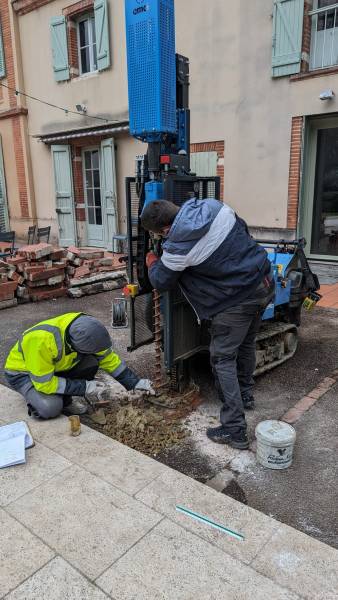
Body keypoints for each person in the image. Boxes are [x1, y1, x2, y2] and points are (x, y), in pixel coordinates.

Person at [141, 197, 275, 450]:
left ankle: (234, 430)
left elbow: (161, 280)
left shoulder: (178, 247)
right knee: (245, 345)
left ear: (165, 231)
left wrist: (152, 261)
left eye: (159, 235)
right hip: (263, 282)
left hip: (236, 301)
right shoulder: (215, 207)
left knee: (222, 359)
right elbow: (242, 231)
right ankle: (245, 395)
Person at [4, 312, 154, 419]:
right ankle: (36, 399)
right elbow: (45, 384)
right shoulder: (40, 342)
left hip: (54, 368)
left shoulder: (86, 327)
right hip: (25, 375)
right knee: (50, 407)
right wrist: (85, 386)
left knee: (91, 362)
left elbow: (108, 358)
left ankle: (66, 400)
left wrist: (134, 382)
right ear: (75, 346)